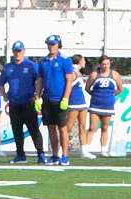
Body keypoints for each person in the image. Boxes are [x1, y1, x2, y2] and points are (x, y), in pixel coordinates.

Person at [0, 40, 45, 164]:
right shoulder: (8, 67)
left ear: (24, 51)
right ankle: (20, 154)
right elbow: (1, 83)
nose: (17, 53)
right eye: (15, 51)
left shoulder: (31, 66)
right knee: (17, 130)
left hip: (28, 102)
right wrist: (5, 95)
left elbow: (41, 80)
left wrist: (37, 95)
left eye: (19, 51)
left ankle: (40, 154)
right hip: (14, 103)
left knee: (33, 129)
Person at [38, 34, 74, 165]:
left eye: (53, 44)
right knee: (51, 128)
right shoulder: (43, 62)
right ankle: (55, 154)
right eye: (49, 44)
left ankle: (65, 155)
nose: (51, 47)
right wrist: (37, 97)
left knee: (62, 127)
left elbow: (69, 80)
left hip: (59, 99)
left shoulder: (65, 60)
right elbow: (40, 81)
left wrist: (65, 98)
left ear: (58, 45)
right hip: (47, 98)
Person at [86, 55, 122, 157]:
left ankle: (103, 149)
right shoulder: (94, 74)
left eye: (108, 64)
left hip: (108, 106)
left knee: (104, 128)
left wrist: (110, 95)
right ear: (100, 64)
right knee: (92, 127)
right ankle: (85, 148)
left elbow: (120, 89)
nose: (106, 66)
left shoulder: (114, 74)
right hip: (95, 105)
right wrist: (97, 95)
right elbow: (87, 88)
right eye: (104, 64)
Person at [65, 54, 94, 159]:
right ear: (80, 61)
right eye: (83, 60)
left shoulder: (79, 72)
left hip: (82, 103)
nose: (84, 62)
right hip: (73, 103)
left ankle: (84, 150)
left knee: (82, 127)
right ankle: (62, 149)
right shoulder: (72, 72)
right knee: (68, 127)